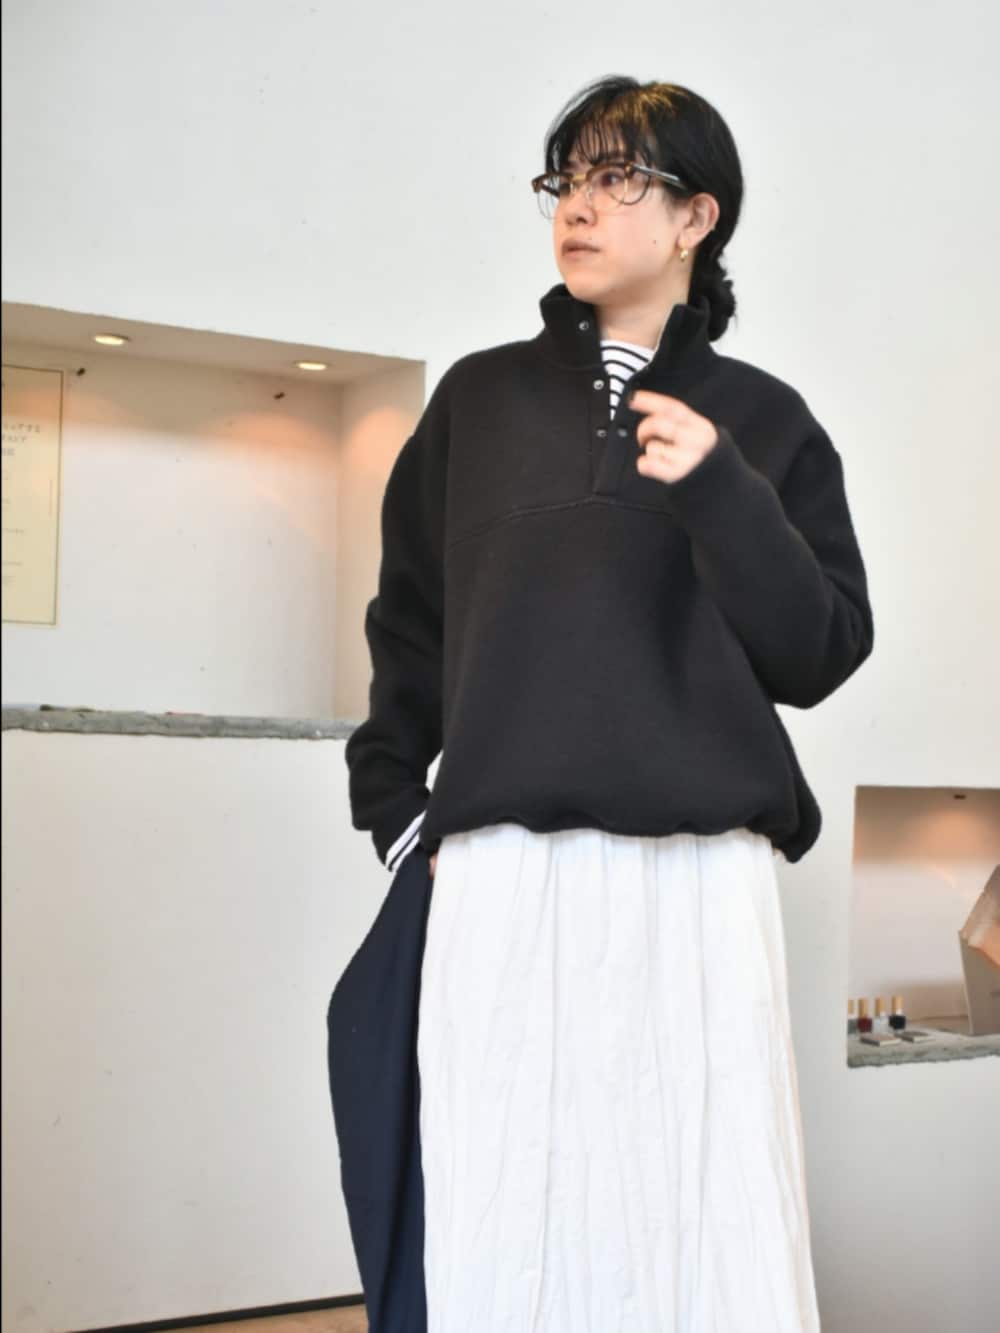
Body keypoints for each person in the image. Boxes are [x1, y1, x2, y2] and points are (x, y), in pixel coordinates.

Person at [342, 74, 874, 1332]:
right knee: (504, 1201)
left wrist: (723, 490)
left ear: (697, 216)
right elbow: (409, 622)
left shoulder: (766, 422)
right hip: (503, 872)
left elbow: (819, 651)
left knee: (701, 1205)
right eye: (565, 180)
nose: (577, 207)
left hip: (699, 876)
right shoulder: (477, 400)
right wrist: (395, 807)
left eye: (617, 177)